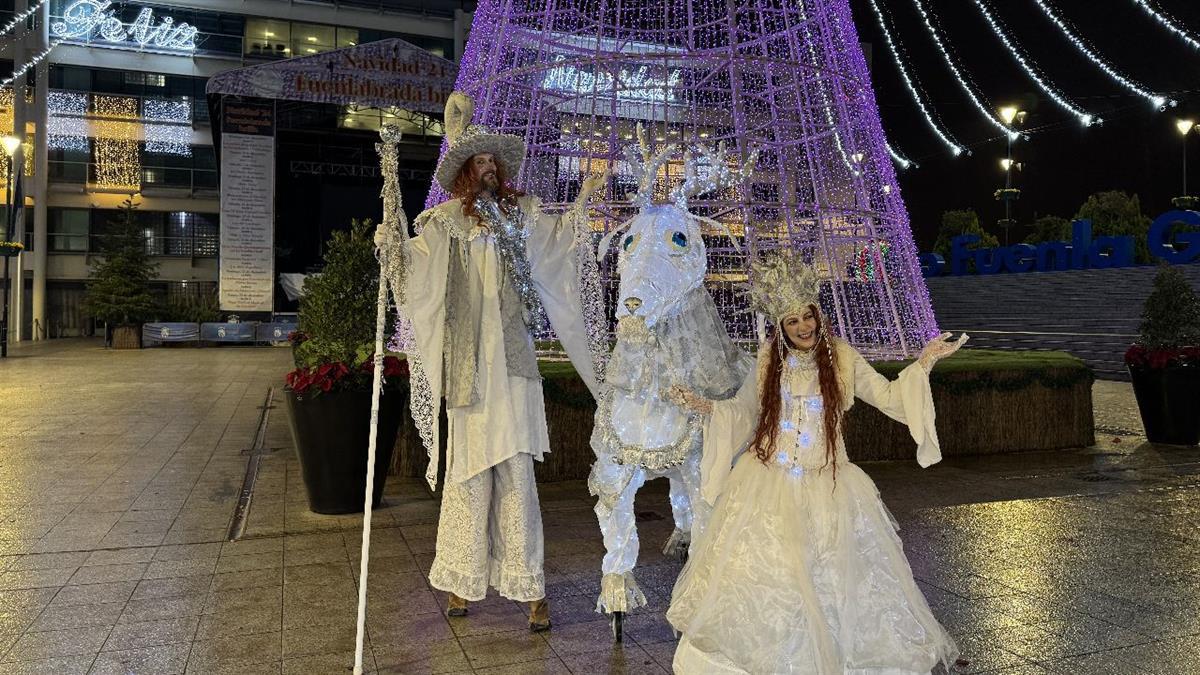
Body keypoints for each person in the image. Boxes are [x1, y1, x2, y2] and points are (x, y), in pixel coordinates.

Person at [664, 252, 966, 673]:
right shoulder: (770, 358)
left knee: (831, 575)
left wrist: (924, 363)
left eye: (807, 317)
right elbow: (747, 411)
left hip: (829, 484)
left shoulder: (842, 357)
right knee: (774, 576)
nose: (803, 327)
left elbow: (891, 398)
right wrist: (706, 407)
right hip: (768, 480)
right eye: (792, 321)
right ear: (781, 327)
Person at [381, 91, 607, 632]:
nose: (487, 169)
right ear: (463, 170)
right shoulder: (442, 223)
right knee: (467, 480)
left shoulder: (521, 215)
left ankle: (530, 588)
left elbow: (557, 250)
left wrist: (580, 209)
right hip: (468, 370)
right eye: (478, 161)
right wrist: (392, 245)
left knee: (517, 479)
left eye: (492, 162)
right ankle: (462, 580)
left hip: (513, 370)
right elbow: (416, 276)